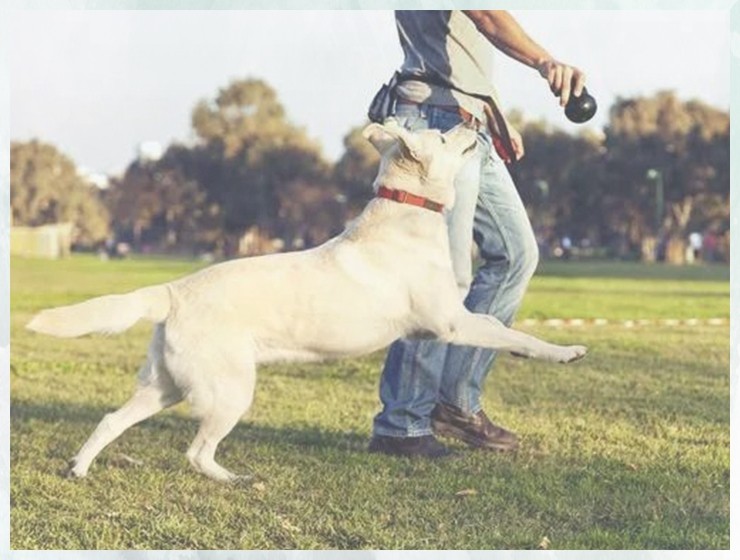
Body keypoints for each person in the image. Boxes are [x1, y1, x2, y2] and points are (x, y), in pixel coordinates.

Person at [367, 10, 587, 458]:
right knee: (442, 281)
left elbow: (460, 47)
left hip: (468, 122)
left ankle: (455, 403)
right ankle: (402, 424)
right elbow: (486, 15)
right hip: (435, 123)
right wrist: (545, 62)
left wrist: (491, 113)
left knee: (516, 254)